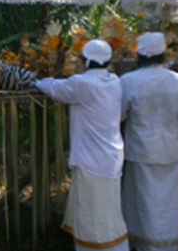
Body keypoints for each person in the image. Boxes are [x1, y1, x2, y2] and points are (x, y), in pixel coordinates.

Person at [35, 39, 129, 251]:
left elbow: (54, 88)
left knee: (94, 218)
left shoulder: (83, 83)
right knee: (110, 213)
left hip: (91, 159)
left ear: (86, 60)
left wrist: (37, 81)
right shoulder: (114, 81)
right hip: (112, 156)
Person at [120, 32, 178, 251]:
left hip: (140, 150)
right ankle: (166, 245)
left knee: (140, 201)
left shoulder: (129, 81)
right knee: (167, 202)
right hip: (170, 151)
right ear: (163, 54)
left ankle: (142, 244)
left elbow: (119, 115)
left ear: (139, 55)